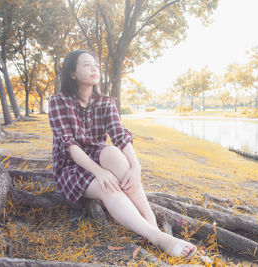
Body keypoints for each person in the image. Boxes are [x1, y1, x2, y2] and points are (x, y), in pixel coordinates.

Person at [48, 49, 197, 259]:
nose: (93, 68)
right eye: (86, 65)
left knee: (114, 153)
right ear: (72, 74)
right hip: (70, 165)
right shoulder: (58, 102)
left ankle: (150, 220)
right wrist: (99, 172)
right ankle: (157, 237)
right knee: (107, 187)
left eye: (95, 64)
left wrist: (136, 167)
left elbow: (119, 135)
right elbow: (70, 147)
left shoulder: (106, 102)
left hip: (98, 155)